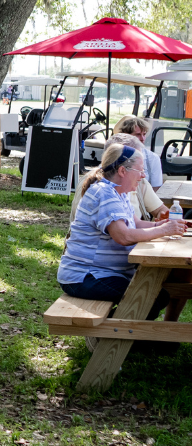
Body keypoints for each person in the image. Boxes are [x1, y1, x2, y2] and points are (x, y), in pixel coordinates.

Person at [57, 143, 187, 342]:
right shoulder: (104, 193)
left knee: (156, 296)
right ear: (122, 171)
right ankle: (105, 339)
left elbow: (135, 224)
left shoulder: (118, 192)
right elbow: (124, 236)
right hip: (85, 276)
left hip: (102, 273)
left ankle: (120, 338)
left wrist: (168, 224)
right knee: (148, 298)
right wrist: (163, 230)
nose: (143, 175)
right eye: (141, 170)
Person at [70, 134, 168, 224]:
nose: (143, 174)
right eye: (136, 160)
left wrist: (167, 220)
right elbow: (123, 236)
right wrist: (160, 229)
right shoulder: (98, 188)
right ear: (122, 169)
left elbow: (137, 223)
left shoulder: (124, 188)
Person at [112, 116, 163, 191]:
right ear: (126, 135)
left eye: (144, 134)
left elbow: (156, 188)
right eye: (138, 135)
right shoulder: (115, 155)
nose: (142, 138)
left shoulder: (152, 158)